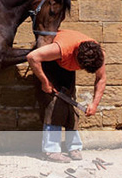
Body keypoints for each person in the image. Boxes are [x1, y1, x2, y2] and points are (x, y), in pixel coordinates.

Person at [26, 29, 106, 163]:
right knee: (53, 106)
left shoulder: (98, 56)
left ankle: (74, 147)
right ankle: (51, 150)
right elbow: (32, 57)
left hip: (67, 66)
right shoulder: (62, 48)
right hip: (49, 63)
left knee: (71, 106)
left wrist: (94, 104)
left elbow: (101, 78)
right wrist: (44, 82)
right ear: (76, 56)